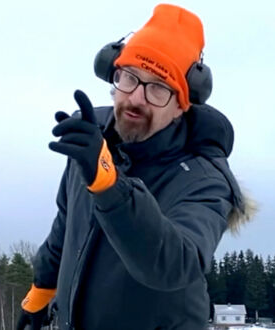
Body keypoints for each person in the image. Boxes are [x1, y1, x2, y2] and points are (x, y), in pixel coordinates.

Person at [17, 4, 255, 330]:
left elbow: (174, 265)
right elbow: (66, 223)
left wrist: (109, 185)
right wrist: (41, 291)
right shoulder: (92, 137)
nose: (137, 98)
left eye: (158, 86)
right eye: (130, 77)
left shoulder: (205, 181)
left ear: (181, 105)